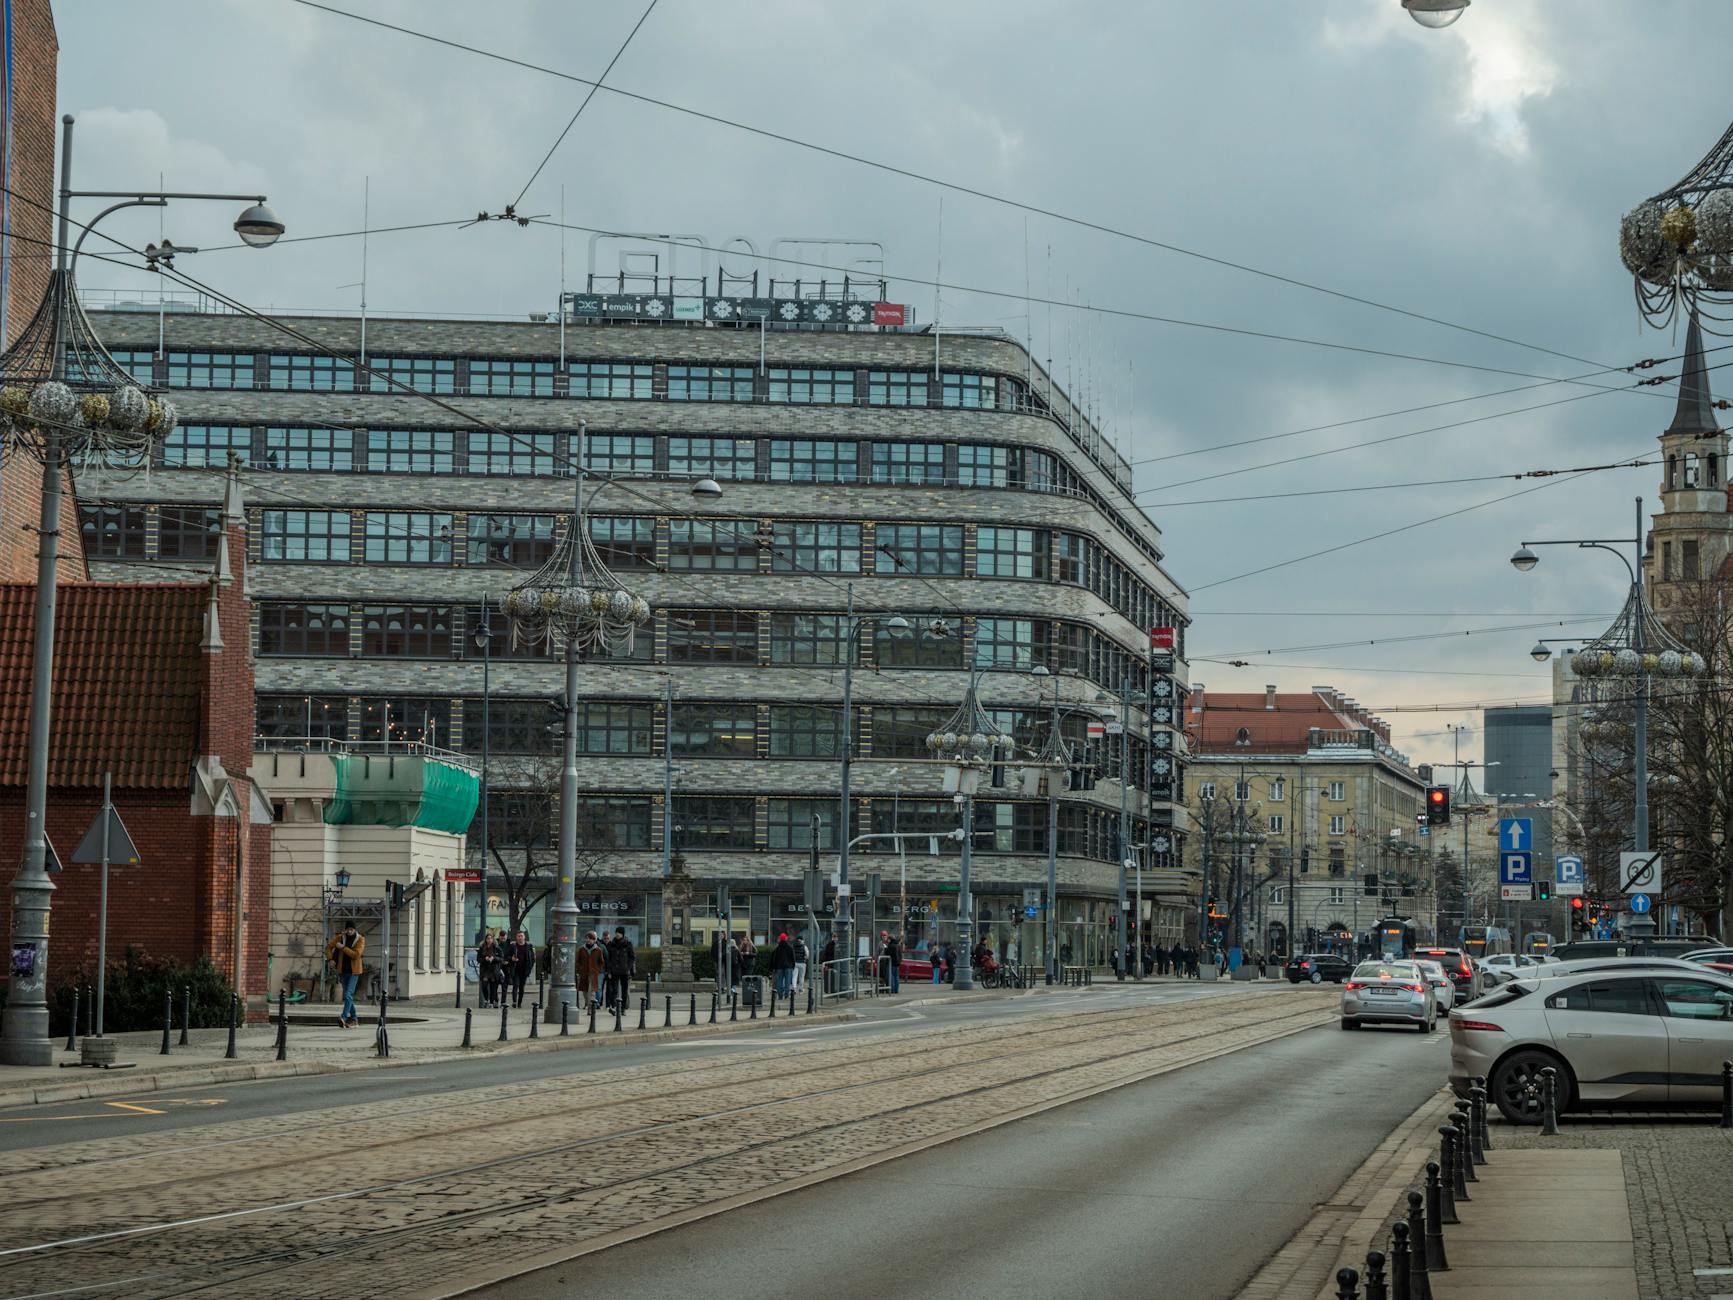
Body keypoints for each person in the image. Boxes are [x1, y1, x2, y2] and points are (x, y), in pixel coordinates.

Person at [325, 922, 366, 1028]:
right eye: (347, 929)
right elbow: (328, 947)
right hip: (342, 971)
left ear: (355, 930)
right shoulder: (340, 937)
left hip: (354, 971)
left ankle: (343, 1017)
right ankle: (354, 1019)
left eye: (351, 929)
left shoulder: (360, 939)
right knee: (348, 996)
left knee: (348, 994)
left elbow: (356, 955)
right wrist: (330, 959)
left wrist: (342, 948)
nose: (349, 931)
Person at [604, 925, 636, 1014]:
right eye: (616, 932)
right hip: (614, 970)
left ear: (622, 934)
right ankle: (613, 1007)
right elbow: (609, 958)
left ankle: (623, 1008)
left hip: (624, 971)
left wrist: (628, 967)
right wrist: (609, 970)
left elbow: (632, 957)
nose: (617, 934)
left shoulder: (627, 943)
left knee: (624, 990)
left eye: (619, 933)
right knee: (614, 990)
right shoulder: (612, 943)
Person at [576, 931, 606, 1011]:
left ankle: (590, 1008)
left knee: (592, 991)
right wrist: (580, 969)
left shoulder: (598, 950)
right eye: (587, 938)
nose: (588, 940)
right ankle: (587, 1003)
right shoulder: (581, 949)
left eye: (590, 939)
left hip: (593, 974)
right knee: (585, 992)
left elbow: (601, 962)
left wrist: (597, 970)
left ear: (594, 940)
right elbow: (578, 961)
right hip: (584, 974)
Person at [508, 929, 536, 1008]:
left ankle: (519, 1003)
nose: (520, 938)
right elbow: (508, 956)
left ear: (524, 937)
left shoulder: (528, 946)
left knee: (521, 987)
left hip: (524, 970)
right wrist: (512, 959)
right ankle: (514, 1002)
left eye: (521, 936)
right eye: (518, 936)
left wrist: (529, 968)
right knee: (515, 985)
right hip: (515, 969)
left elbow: (532, 959)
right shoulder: (513, 946)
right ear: (516, 938)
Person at [477, 932, 503, 1008]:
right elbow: (478, 959)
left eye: (491, 938)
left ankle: (491, 1002)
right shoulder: (482, 947)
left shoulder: (496, 947)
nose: (489, 940)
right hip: (485, 969)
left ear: (493, 939)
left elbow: (501, 958)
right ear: (485, 939)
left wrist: (494, 958)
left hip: (494, 969)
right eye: (488, 938)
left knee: (493, 987)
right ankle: (486, 1000)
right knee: (484, 986)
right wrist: (485, 959)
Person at [771, 932, 796, 1001]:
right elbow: (793, 958)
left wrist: (774, 968)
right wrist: (792, 966)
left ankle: (780, 996)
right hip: (788, 967)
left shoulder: (777, 948)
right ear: (786, 938)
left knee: (779, 982)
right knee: (787, 982)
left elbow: (774, 959)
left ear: (780, 938)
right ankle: (786, 996)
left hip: (779, 968)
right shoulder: (790, 947)